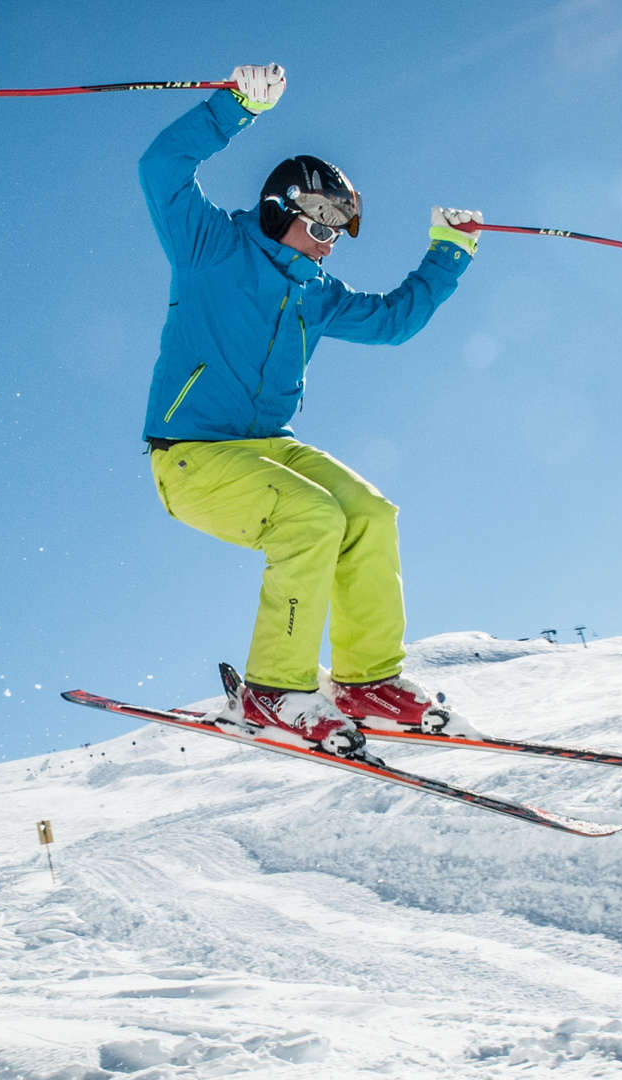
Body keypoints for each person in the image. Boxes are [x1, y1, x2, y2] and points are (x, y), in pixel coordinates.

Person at [139, 63, 481, 755]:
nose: (330, 237)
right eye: (322, 218)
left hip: (270, 447)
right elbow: (161, 166)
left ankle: (366, 684)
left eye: (342, 226)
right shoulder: (212, 245)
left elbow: (391, 322)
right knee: (311, 519)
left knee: (369, 516)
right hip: (193, 457)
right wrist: (234, 108)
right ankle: (273, 692)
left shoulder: (315, 293)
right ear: (281, 205)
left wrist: (449, 252)